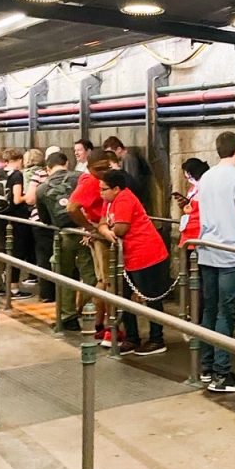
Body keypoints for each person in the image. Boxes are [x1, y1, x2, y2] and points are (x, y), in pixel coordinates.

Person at [197, 131, 235, 393]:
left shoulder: (206, 177)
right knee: (226, 312)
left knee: (209, 309)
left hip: (206, 249)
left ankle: (206, 367)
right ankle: (223, 374)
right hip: (230, 252)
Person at [97, 169, 171, 356]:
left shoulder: (124, 199)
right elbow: (102, 223)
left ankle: (157, 338)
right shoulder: (110, 202)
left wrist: (108, 228)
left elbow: (121, 229)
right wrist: (106, 230)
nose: (101, 193)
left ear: (116, 189)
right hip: (129, 257)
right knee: (122, 296)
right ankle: (132, 337)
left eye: (104, 189)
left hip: (146, 254)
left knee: (151, 297)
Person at [36, 152, 92, 331]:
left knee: (63, 275)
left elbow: (44, 219)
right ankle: (91, 312)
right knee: (91, 275)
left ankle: (68, 316)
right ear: (66, 163)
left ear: (48, 168)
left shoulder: (42, 188)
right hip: (87, 233)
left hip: (62, 236)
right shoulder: (80, 178)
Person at [68, 150, 114, 342]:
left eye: (107, 168)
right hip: (102, 236)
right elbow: (72, 207)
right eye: (99, 169)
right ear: (89, 167)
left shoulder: (89, 179)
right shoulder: (90, 182)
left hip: (99, 233)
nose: (103, 172)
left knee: (102, 281)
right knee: (107, 281)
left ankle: (100, 324)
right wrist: (90, 227)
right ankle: (107, 326)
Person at [0, 148, 31, 299]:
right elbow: (16, 199)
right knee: (15, 251)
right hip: (13, 218)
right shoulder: (17, 175)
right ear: (19, 160)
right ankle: (14, 287)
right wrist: (28, 196)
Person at [24, 149, 56, 301]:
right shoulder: (72, 176)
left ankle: (47, 293)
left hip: (40, 221)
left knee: (44, 257)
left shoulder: (39, 175)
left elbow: (30, 199)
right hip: (61, 222)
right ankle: (65, 294)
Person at [103, 136, 151, 207]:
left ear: (119, 149)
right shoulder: (127, 158)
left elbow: (131, 180)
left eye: (111, 153)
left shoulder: (128, 158)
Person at [175, 158, 209, 249]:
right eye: (187, 178)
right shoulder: (192, 189)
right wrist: (184, 203)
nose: (189, 180)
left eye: (190, 177)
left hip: (201, 232)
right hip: (187, 230)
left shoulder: (208, 188)